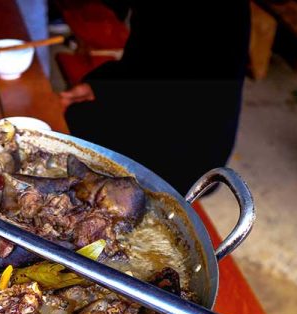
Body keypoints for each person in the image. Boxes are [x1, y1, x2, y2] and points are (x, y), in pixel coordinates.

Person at [60, 1, 251, 194]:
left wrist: (107, 87)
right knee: (70, 121)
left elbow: (171, 83)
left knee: (74, 135)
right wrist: (101, 86)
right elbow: (148, 59)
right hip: (161, 106)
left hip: (186, 146)